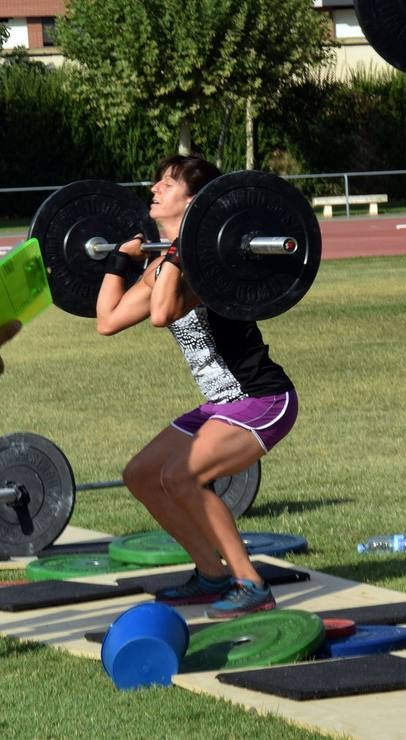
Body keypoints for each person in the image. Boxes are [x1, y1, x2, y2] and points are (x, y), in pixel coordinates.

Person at [96, 154, 298, 619]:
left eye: (167, 184)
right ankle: (211, 573)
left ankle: (251, 582)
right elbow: (108, 321)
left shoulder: (213, 261)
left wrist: (172, 253)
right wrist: (116, 261)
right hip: (221, 404)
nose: (154, 189)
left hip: (262, 399)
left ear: (194, 202)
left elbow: (163, 313)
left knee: (180, 476)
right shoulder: (164, 262)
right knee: (142, 474)